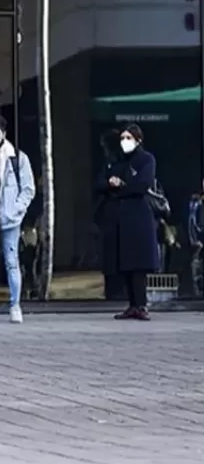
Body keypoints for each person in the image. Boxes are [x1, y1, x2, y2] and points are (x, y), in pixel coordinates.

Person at [97, 124, 160, 321]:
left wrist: (120, 188)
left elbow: (142, 185)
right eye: (122, 137)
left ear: (138, 140)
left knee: (138, 263)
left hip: (138, 218)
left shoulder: (146, 159)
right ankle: (132, 305)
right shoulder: (117, 160)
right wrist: (110, 184)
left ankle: (141, 305)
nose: (124, 141)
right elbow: (100, 182)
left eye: (128, 137)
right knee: (124, 262)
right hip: (119, 218)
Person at [0, 117, 35, 324]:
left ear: (4, 133)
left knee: (12, 263)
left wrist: (17, 210)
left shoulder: (17, 158)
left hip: (10, 219)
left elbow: (28, 189)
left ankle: (15, 305)